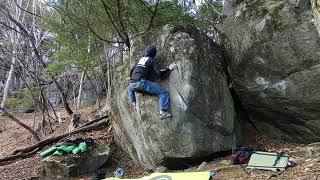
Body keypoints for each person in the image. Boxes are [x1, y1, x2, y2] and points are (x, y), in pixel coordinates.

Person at [128, 45, 177, 120]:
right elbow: (159, 73)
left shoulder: (140, 60)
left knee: (132, 88)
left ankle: (133, 104)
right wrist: (169, 68)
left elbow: (132, 71)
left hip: (132, 84)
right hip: (141, 83)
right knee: (163, 92)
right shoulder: (152, 60)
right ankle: (163, 112)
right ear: (154, 53)